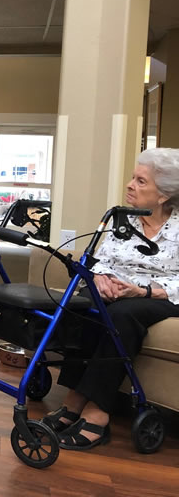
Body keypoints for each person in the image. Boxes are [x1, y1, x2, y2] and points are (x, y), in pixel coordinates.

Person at [41, 147, 179, 451]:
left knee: (123, 314)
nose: (130, 185)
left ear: (163, 195)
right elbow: (101, 259)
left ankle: (97, 412)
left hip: (159, 295)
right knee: (85, 304)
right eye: (132, 178)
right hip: (115, 288)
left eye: (141, 182)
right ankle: (74, 400)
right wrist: (100, 279)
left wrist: (142, 291)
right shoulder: (123, 221)